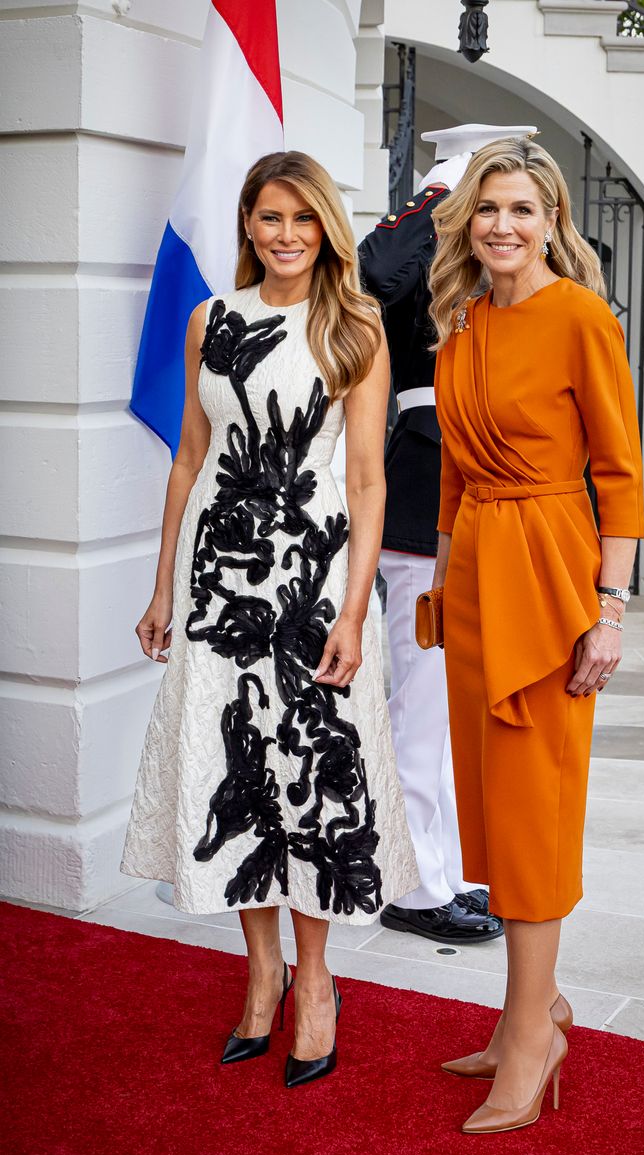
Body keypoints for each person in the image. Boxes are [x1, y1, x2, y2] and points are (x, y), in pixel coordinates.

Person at [121, 151, 419, 1087]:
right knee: (236, 767)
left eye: (302, 218)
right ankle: (262, 974)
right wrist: (164, 588)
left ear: (326, 227)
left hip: (312, 586)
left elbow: (366, 481)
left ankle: (316, 980)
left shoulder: (355, 325)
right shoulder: (211, 320)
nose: (286, 235)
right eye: (269, 218)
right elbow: (188, 459)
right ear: (248, 225)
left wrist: (355, 610)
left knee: (308, 779)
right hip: (218, 584)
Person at [428, 135, 644, 1134]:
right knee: (491, 807)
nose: (502, 225)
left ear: (553, 219)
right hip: (478, 573)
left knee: (534, 809)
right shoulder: (460, 325)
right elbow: (452, 474)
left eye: (522, 208)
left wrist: (609, 609)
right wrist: (442, 584)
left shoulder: (581, 318)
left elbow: (620, 474)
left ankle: (530, 1039)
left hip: (552, 571)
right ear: (466, 222)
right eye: (487, 208)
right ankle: (533, 1007)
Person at [360, 125, 534, 946]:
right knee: (422, 708)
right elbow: (372, 274)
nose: (493, 218)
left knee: (463, 710)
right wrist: (436, 194)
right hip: (425, 497)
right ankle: (412, 883)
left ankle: (455, 870)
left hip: (497, 497)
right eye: (480, 195)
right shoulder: (418, 249)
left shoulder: (492, 268)